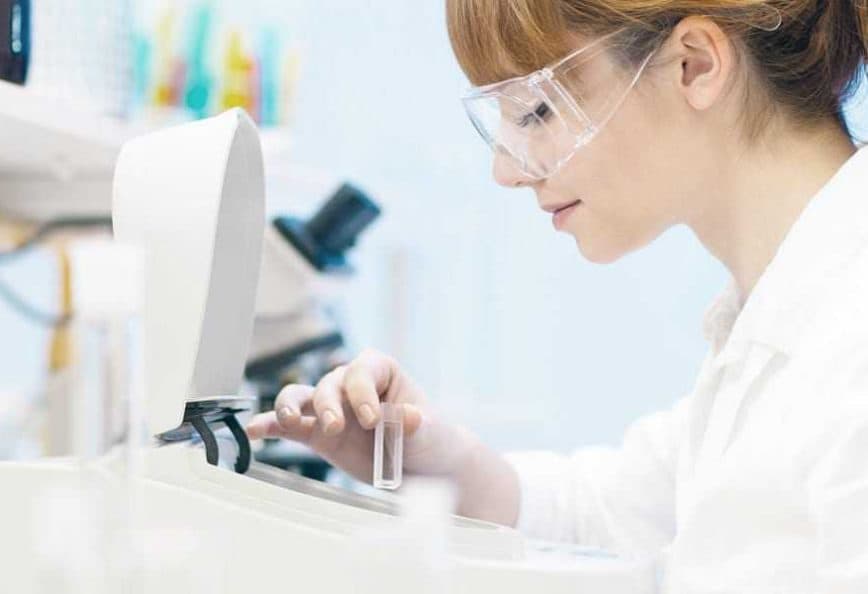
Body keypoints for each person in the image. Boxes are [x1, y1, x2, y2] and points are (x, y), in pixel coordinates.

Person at [247, 1, 868, 591]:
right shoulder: (771, 316)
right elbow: (619, 514)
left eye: (537, 110)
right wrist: (432, 457)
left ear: (696, 64)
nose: (508, 171)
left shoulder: (849, 338)